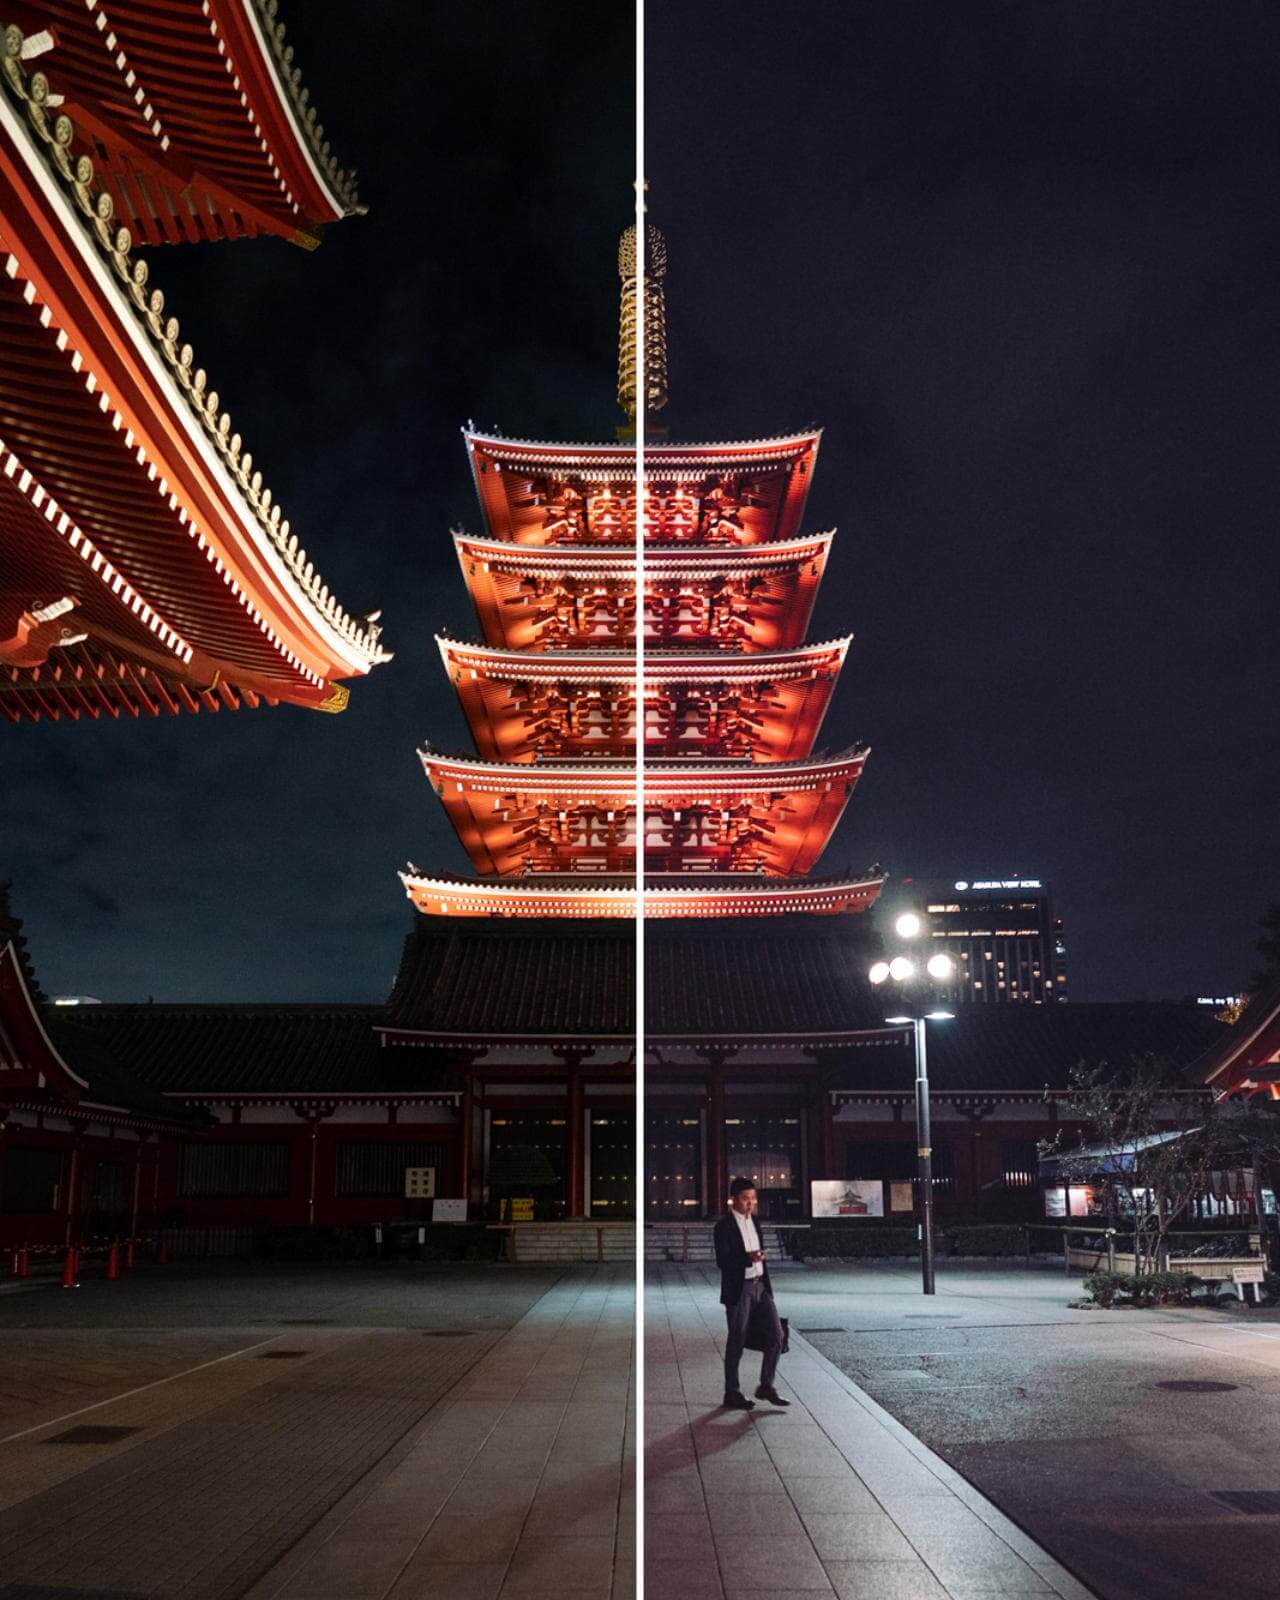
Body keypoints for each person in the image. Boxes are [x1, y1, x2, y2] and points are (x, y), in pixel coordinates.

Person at [713, 1176, 788, 1410]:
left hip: (760, 1286)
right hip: (739, 1289)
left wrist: (765, 1281)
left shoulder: (754, 1222)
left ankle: (766, 1385)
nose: (750, 1203)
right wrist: (749, 1258)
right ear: (733, 1199)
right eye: (746, 1199)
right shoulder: (723, 1226)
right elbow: (723, 1260)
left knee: (777, 1335)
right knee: (737, 1340)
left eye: (753, 1199)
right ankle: (731, 1392)